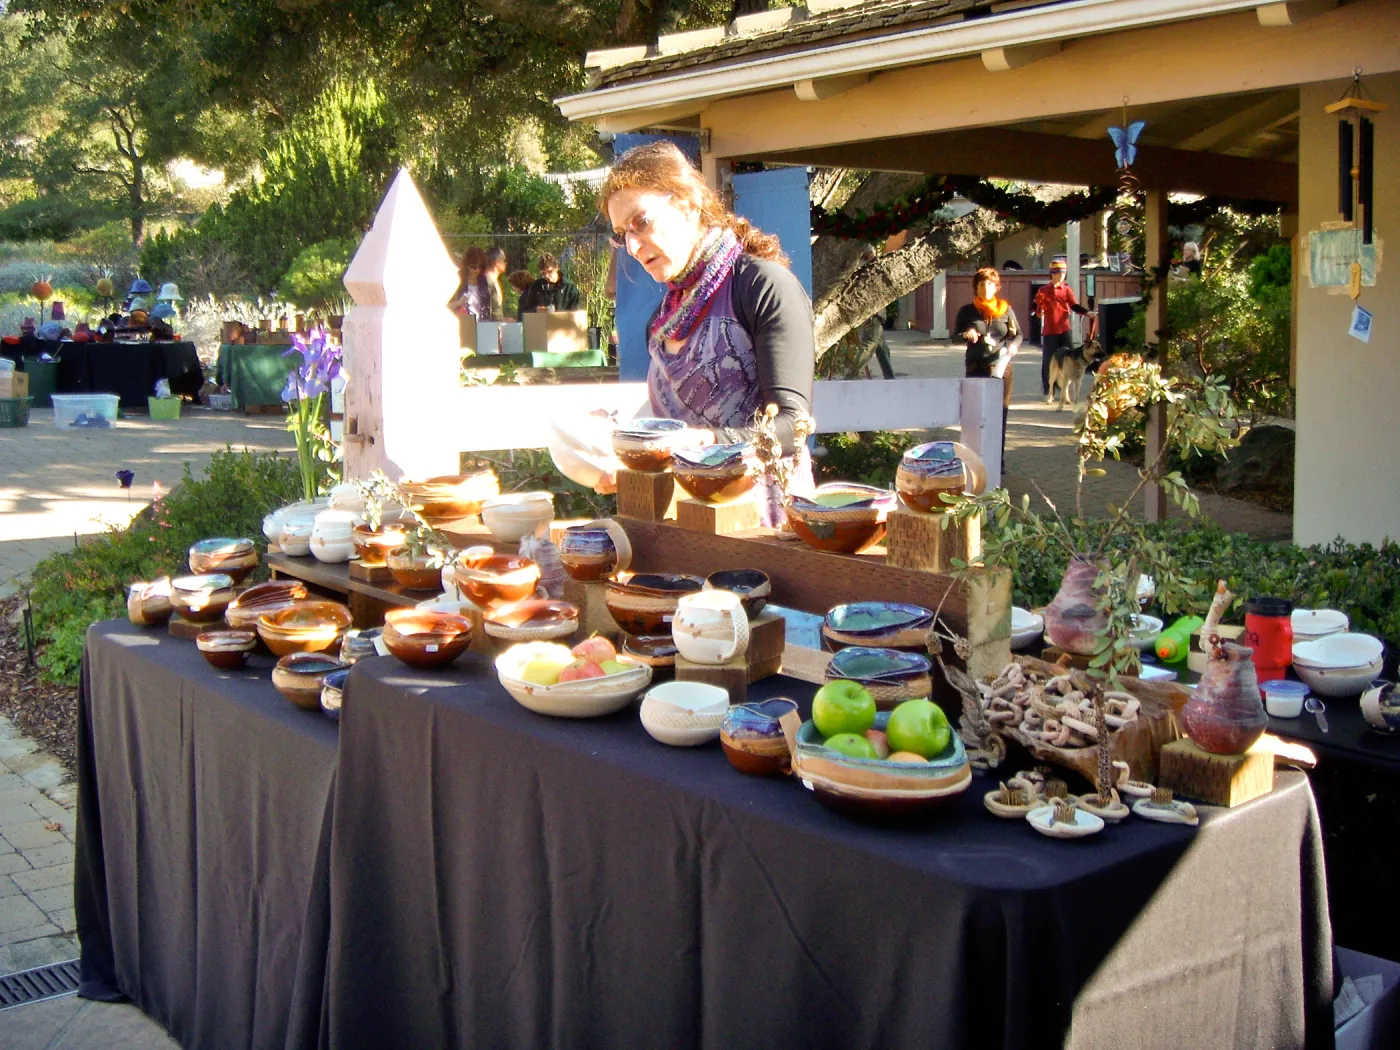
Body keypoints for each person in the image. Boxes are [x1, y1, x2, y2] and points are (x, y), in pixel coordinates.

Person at [597, 140, 815, 525]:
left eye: (641, 222)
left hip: (770, 529)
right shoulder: (663, 319)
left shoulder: (761, 286)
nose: (631, 245)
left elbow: (791, 428)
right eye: (621, 233)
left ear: (689, 203)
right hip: (688, 528)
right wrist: (627, 456)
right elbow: (674, 435)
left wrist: (705, 443)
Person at [955, 266, 1021, 472]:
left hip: (1001, 370)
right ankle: (973, 460)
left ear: (997, 287)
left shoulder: (1005, 309)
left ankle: (997, 461)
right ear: (976, 287)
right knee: (974, 416)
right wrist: (966, 334)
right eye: (982, 284)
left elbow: (1018, 334)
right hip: (976, 368)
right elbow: (953, 335)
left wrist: (1014, 345)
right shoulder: (967, 311)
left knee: (999, 415)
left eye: (990, 284)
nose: (986, 288)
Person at [1033, 259, 1092, 401]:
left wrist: (1087, 313)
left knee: (1070, 360)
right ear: (1052, 274)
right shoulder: (1043, 290)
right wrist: (1038, 304)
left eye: (1063, 273)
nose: (1061, 276)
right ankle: (1049, 390)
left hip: (1064, 329)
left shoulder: (1066, 290)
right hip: (1049, 331)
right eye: (1058, 273)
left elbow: (1074, 305)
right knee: (1048, 361)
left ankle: (1065, 391)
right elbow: (1036, 310)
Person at [517, 253, 582, 319]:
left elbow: (575, 312)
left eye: (550, 271)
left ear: (557, 268)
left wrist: (559, 315)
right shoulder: (536, 287)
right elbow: (526, 310)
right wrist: (536, 310)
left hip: (563, 325)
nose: (546, 276)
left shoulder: (569, 287)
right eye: (543, 273)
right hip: (542, 325)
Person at [451, 247, 492, 320]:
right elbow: (444, 307)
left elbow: (492, 310)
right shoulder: (456, 281)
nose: (477, 270)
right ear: (466, 265)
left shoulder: (485, 282)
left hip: (482, 325)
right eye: (473, 267)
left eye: (480, 266)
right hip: (462, 324)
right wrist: (459, 302)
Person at [484, 247, 508, 322]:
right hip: (488, 329)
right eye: (504, 260)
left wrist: (504, 319)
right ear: (497, 262)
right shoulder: (487, 282)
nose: (506, 263)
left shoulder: (493, 280)